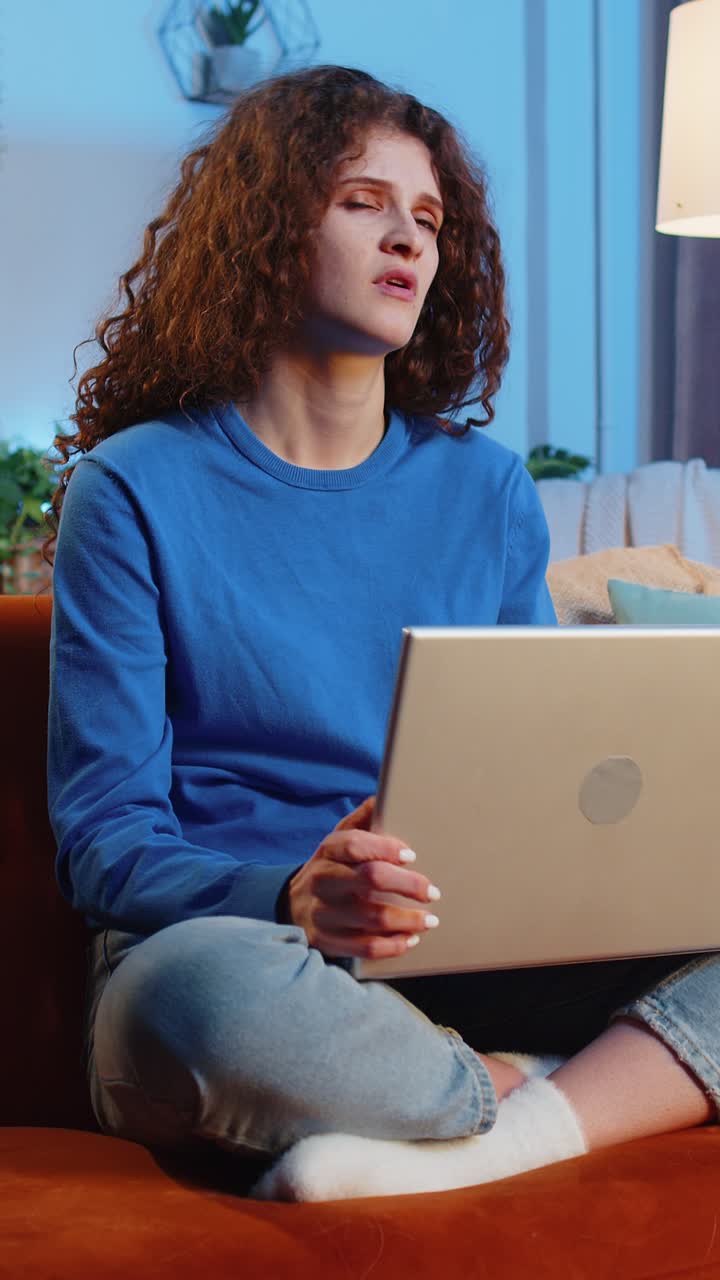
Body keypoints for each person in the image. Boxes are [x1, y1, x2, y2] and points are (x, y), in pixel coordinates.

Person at [46, 65, 718, 1203]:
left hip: (466, 952)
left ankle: (505, 1124)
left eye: (429, 216)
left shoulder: (487, 489)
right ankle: (577, 1088)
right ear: (264, 227)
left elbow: (545, 784)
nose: (408, 235)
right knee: (198, 1003)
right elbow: (104, 841)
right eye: (364, 201)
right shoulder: (132, 488)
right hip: (249, 952)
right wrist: (293, 891)